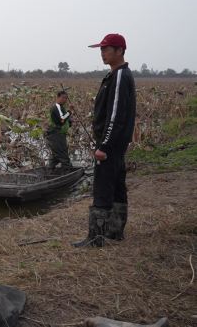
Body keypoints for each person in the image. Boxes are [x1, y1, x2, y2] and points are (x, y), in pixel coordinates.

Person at [73, 33, 136, 247]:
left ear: (120, 51)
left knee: (102, 189)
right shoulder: (118, 75)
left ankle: (96, 238)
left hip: (111, 146)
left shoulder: (119, 76)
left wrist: (104, 146)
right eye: (101, 49)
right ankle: (115, 231)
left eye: (106, 49)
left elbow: (116, 116)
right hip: (117, 146)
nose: (102, 52)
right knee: (118, 186)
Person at [45, 91, 74, 171]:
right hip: (56, 134)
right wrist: (70, 111)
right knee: (63, 154)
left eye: (66, 98)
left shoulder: (61, 107)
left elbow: (65, 120)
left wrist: (70, 121)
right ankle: (67, 172)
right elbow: (62, 120)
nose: (65, 100)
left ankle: (49, 170)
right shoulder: (56, 107)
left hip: (59, 134)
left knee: (56, 155)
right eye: (63, 98)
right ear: (58, 97)